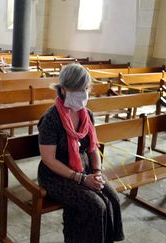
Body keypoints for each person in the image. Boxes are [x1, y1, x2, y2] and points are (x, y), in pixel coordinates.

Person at [37, 64, 124, 243]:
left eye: (85, 89)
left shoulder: (87, 115)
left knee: (112, 199)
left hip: (84, 168)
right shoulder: (51, 119)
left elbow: (93, 147)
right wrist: (82, 179)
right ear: (62, 90)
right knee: (95, 205)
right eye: (77, 90)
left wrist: (97, 172)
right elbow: (49, 159)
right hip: (56, 174)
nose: (82, 95)